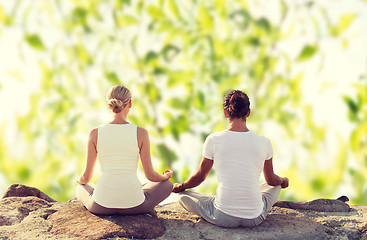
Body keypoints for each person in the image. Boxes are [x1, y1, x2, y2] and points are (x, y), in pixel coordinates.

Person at [172, 90, 289, 228]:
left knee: (182, 197)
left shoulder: (214, 139)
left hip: (223, 216)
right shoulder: (264, 142)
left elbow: (199, 177)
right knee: (275, 187)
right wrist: (283, 181)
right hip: (255, 218)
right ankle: (235, 199)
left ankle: (214, 199)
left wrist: (180, 186)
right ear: (248, 112)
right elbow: (271, 180)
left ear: (226, 113)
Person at [76, 85, 173, 215]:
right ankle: (135, 192)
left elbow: (86, 178)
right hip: (135, 206)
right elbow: (151, 175)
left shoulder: (95, 133)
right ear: (130, 104)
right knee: (167, 185)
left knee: (81, 187)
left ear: (108, 104)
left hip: (100, 206)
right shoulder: (141, 133)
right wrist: (165, 176)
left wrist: (79, 180)